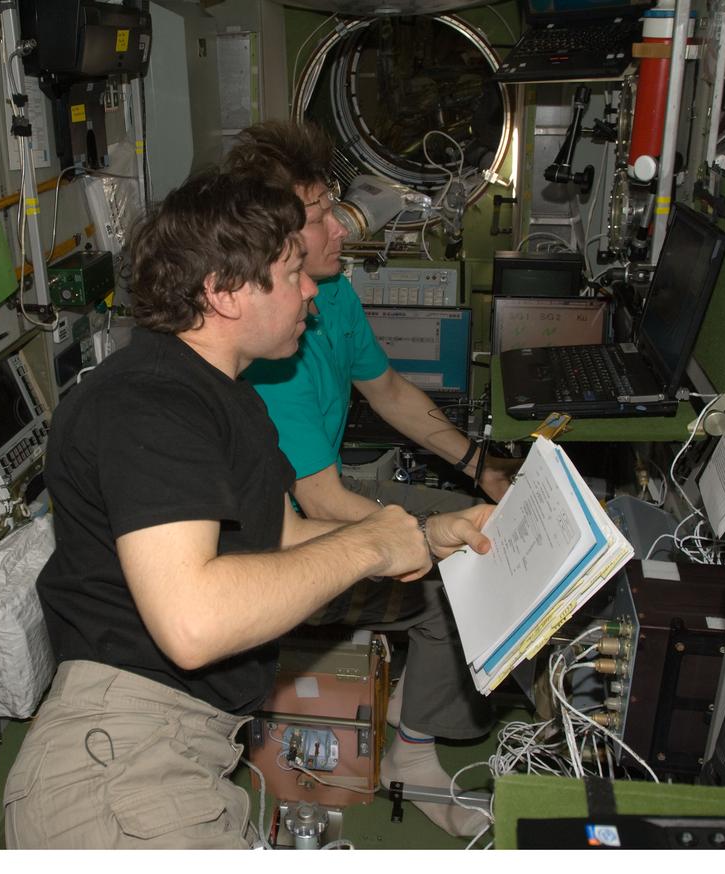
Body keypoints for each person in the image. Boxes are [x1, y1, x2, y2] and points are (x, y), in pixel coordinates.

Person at [3, 171, 495, 849]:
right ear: (223, 291)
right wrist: (370, 544)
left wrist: (426, 535)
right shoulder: (149, 404)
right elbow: (193, 622)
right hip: (120, 761)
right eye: (292, 273)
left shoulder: (227, 398)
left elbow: (284, 536)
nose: (310, 291)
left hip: (184, 748)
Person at [227, 120, 513, 837]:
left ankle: (420, 716)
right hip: (290, 540)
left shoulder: (331, 294)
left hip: (331, 493)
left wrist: (481, 469)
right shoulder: (269, 351)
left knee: (491, 527)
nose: (341, 228)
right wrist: (425, 539)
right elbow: (320, 502)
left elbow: (387, 391)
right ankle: (411, 756)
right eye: (320, 216)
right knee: (453, 585)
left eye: (333, 207)